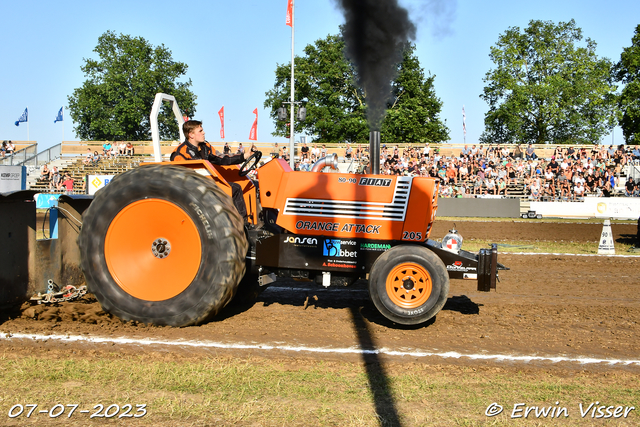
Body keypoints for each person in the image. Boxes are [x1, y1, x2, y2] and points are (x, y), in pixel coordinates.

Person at [170, 120, 248, 219]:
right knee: (235, 188)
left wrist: (244, 156)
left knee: (245, 185)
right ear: (191, 135)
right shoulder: (179, 153)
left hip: (208, 184)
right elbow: (180, 178)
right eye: (200, 131)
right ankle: (242, 223)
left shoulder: (205, 147)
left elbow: (222, 158)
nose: (204, 132)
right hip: (195, 189)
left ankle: (245, 221)